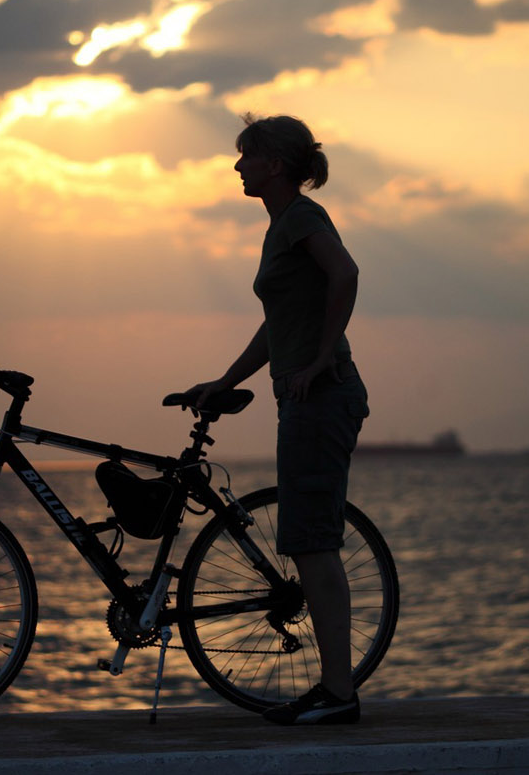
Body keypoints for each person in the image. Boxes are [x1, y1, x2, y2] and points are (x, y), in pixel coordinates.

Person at [184, 113, 369, 725]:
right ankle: (334, 689)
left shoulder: (302, 218)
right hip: (301, 398)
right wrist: (225, 380)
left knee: (313, 545)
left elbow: (346, 273)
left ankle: (339, 696)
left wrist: (321, 356)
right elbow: (277, 326)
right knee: (305, 540)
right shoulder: (281, 228)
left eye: (246, 156)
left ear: (276, 165)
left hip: (323, 395)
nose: (237, 166)